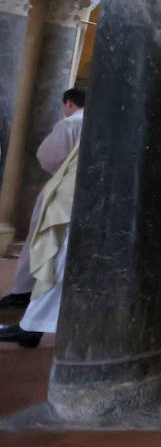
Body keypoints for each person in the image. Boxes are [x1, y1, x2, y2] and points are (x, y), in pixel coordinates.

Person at [0, 87, 85, 311]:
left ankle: (24, 291)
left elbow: (47, 158)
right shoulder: (99, 124)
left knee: (41, 239)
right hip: (89, 195)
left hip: (63, 189)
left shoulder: (70, 123)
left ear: (68, 103)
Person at [0, 146, 80, 347]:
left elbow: (46, 155)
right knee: (58, 265)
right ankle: (31, 326)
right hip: (75, 205)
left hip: (76, 208)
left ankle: (31, 327)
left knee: (59, 267)